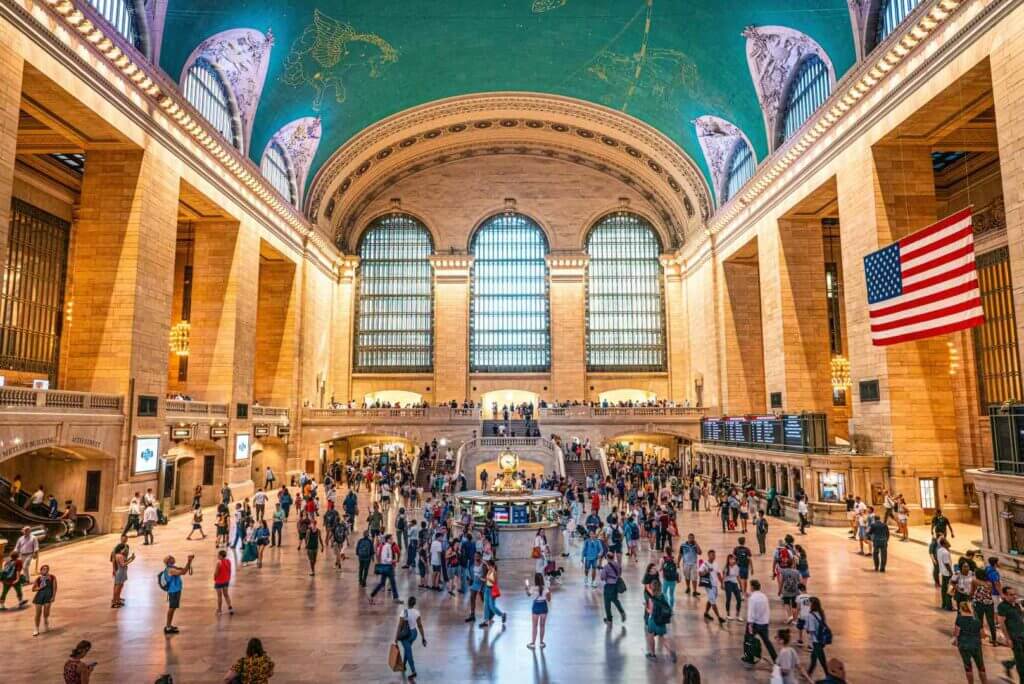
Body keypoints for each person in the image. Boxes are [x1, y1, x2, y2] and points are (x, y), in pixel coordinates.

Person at [953, 600, 987, 684]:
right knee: (981, 667)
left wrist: (956, 640)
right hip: (976, 644)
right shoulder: (977, 619)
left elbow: (956, 633)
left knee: (968, 667)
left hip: (964, 645)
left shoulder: (959, 618)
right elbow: (983, 634)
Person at [159, 554, 195, 634]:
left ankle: (169, 625)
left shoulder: (173, 567)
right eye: (171, 558)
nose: (173, 558)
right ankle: (168, 627)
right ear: (169, 561)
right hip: (173, 591)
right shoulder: (171, 570)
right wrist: (189, 561)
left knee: (173, 608)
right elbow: (184, 572)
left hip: (175, 590)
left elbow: (184, 569)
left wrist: (189, 562)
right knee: (172, 608)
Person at [644, 577, 677, 662]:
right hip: (661, 621)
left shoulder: (651, 599)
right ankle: (670, 652)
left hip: (653, 621)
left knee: (650, 636)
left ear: (652, 588)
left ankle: (652, 654)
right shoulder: (662, 596)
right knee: (662, 638)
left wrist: (645, 607)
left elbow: (650, 611)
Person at [746, 579, 778, 662]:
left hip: (755, 624)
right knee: (767, 642)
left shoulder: (752, 598)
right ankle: (775, 658)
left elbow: (751, 612)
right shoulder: (764, 596)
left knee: (748, 640)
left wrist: (750, 624)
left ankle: (749, 658)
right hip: (764, 623)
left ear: (752, 587)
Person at [396, 596, 426, 681]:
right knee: (407, 648)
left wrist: (396, 637)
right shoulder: (417, 612)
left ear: (408, 603)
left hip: (405, 635)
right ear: (414, 604)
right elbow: (420, 626)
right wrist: (423, 638)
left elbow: (400, 626)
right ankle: (403, 665)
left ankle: (413, 671)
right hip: (414, 634)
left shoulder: (404, 612)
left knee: (408, 651)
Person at [998, 585, 1024, 682]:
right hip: (1015, 638)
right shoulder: (1002, 607)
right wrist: (1008, 638)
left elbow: (1020, 616)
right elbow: (1001, 623)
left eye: (1015, 594)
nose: (1014, 596)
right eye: (1011, 595)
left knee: (1021, 658)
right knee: (1021, 663)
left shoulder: (1016, 604)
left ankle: (1008, 664)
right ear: (1004, 595)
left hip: (1022, 634)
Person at [369, 533, 401, 604]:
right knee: (392, 582)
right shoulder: (387, 547)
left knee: (382, 583)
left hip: (386, 567)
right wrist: (392, 560)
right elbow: (384, 558)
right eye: (391, 539)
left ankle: (372, 595)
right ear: (388, 540)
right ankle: (396, 598)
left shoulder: (387, 546)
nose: (392, 540)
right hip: (388, 567)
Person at [805, 596, 831, 676]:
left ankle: (828, 675)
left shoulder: (811, 615)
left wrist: (807, 629)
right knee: (814, 657)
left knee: (822, 660)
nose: (807, 604)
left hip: (816, 640)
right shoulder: (821, 612)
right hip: (822, 639)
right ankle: (809, 672)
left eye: (809, 602)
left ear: (812, 604)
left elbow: (811, 630)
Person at [700, 549, 726, 625]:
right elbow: (700, 573)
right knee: (713, 601)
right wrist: (706, 571)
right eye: (712, 555)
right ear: (708, 555)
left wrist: (722, 583)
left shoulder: (716, 564)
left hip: (714, 585)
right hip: (708, 585)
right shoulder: (705, 564)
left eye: (714, 555)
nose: (713, 556)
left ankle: (706, 613)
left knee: (711, 599)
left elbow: (718, 574)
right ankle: (719, 617)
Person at [600, 552, 627, 624]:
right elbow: (620, 573)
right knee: (615, 600)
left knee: (607, 602)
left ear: (607, 558)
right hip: (616, 585)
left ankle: (609, 619)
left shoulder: (606, 566)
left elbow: (602, 577)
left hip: (609, 585)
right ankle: (622, 612)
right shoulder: (618, 564)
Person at [526, 574, 551, 648]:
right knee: (542, 626)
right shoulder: (546, 588)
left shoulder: (533, 588)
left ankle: (533, 643)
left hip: (536, 606)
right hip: (543, 606)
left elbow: (528, 594)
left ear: (535, 580)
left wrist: (527, 588)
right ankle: (541, 643)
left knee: (534, 626)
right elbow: (549, 600)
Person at [30, 563, 56, 636]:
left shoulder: (52, 577)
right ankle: (36, 628)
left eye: (46, 569)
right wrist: (39, 588)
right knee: (38, 613)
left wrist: (53, 596)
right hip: (39, 596)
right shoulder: (38, 579)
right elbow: (33, 589)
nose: (45, 570)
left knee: (46, 611)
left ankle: (45, 620)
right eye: (43, 569)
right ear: (40, 571)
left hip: (48, 595)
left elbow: (54, 588)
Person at [480, 559, 506, 628]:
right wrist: (483, 579)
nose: (488, 567)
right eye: (488, 565)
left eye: (489, 566)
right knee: (486, 605)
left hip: (492, 590)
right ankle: (486, 621)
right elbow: (487, 579)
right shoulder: (489, 570)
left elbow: (495, 582)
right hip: (487, 589)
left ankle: (502, 615)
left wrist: (488, 579)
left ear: (492, 566)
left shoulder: (494, 572)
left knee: (492, 606)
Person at [213, 549, 234, 614]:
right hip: (226, 580)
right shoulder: (228, 561)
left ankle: (219, 610)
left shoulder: (219, 563)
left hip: (219, 581)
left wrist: (214, 578)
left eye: (218, 555)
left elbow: (216, 573)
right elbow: (229, 570)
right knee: (226, 595)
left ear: (221, 556)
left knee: (219, 596)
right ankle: (230, 607)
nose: (217, 556)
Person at [110, 543, 130, 608]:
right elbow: (123, 564)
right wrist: (131, 560)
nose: (125, 550)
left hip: (120, 572)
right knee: (118, 587)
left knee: (119, 586)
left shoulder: (117, 555)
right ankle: (115, 602)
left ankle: (117, 600)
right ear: (121, 549)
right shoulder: (120, 556)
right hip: (120, 572)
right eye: (124, 548)